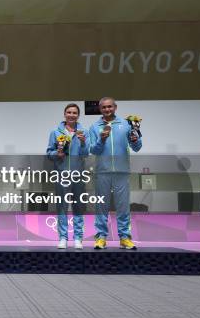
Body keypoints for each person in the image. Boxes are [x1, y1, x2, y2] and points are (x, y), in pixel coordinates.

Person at [89, 97, 142, 250]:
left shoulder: (127, 124)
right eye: (104, 107)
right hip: (102, 172)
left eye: (110, 107)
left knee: (123, 207)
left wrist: (134, 140)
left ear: (115, 107)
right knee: (101, 206)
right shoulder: (94, 127)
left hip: (122, 171)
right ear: (100, 109)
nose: (107, 109)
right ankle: (100, 238)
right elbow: (94, 150)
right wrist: (102, 140)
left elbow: (137, 147)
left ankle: (125, 237)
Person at [46, 103, 89, 249]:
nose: (72, 115)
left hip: (78, 174)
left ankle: (78, 238)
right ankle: (63, 237)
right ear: (65, 114)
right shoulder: (55, 132)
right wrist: (56, 154)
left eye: (75, 113)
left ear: (78, 115)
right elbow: (49, 153)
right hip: (62, 174)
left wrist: (83, 143)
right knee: (62, 206)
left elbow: (86, 154)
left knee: (78, 206)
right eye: (69, 112)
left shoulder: (84, 132)